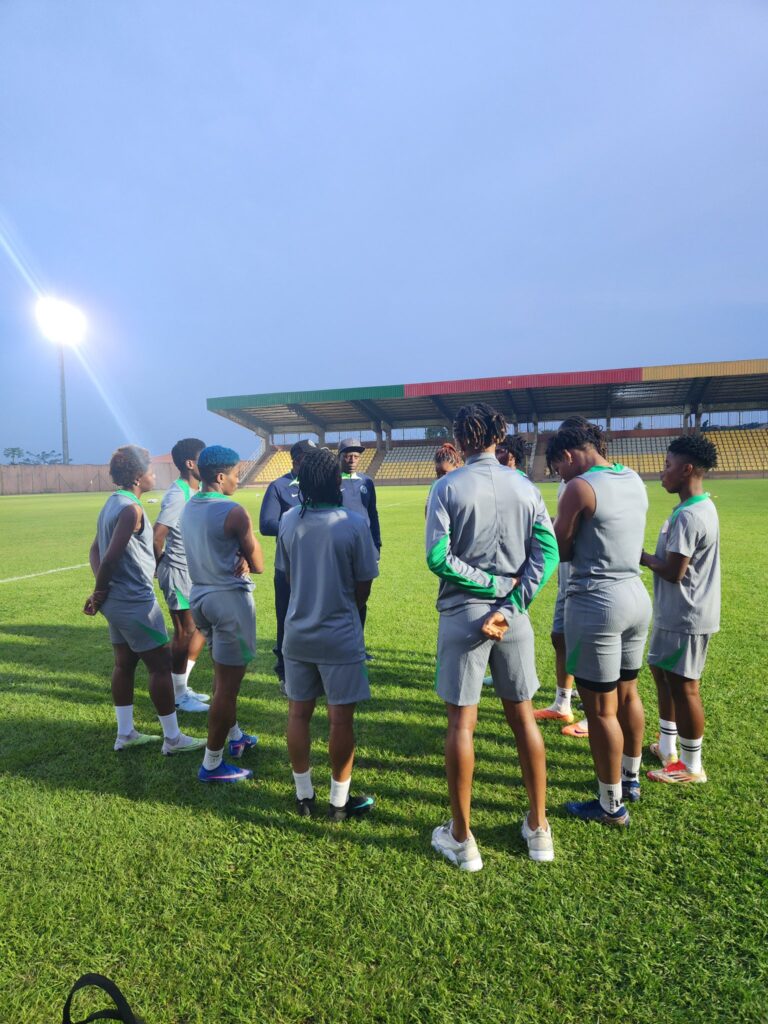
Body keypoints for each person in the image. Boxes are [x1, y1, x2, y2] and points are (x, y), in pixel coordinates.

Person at [426, 403, 559, 868]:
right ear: (499, 437)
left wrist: (489, 586)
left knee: (462, 724)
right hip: (514, 616)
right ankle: (539, 829)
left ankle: (462, 838)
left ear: (461, 439)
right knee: (523, 719)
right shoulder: (526, 486)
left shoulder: (447, 486)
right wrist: (512, 600)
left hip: (464, 613)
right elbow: (547, 555)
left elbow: (438, 557)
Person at [547, 423, 650, 827]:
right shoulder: (633, 477)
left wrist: (556, 527)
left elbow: (560, 548)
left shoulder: (580, 487)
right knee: (628, 695)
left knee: (601, 710)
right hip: (636, 595)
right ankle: (631, 779)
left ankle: (610, 805)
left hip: (597, 601)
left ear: (568, 455)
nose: (560, 477)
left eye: (559, 468)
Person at [84, 445, 205, 758]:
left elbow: (95, 551)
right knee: (161, 665)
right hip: (134, 601)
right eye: (151, 470)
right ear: (138, 477)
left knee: (124, 664)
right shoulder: (131, 510)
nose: (154, 475)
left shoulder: (112, 502)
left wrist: (101, 591)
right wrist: (99, 591)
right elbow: (109, 557)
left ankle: (126, 733)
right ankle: (173, 738)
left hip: (117, 600)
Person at [277, 448, 378, 820]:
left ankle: (304, 796)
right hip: (340, 635)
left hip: (297, 633)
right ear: (337, 482)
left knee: (298, 715)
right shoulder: (353, 524)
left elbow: (288, 576)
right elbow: (363, 586)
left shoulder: (289, 520)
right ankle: (338, 803)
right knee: (340, 721)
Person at [180, 446, 265, 784]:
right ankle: (212, 764)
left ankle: (236, 736)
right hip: (229, 601)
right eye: (235, 474)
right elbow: (259, 563)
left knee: (221, 675)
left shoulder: (189, 505)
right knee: (227, 689)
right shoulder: (233, 511)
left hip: (200, 596)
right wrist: (245, 555)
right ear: (220, 476)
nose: (238, 480)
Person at [640, 434, 720, 784]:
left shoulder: (689, 516)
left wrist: (640, 556)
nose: (663, 472)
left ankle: (690, 766)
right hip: (675, 612)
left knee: (685, 687)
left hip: (686, 614)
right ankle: (667, 746)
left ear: (686, 469)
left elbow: (674, 572)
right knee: (662, 673)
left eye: (668, 465)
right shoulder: (695, 507)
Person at [535, 417, 609, 735]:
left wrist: (550, 535)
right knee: (559, 636)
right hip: (568, 577)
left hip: (590, 580)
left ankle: (596, 715)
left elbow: (572, 537)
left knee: (591, 647)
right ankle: (562, 702)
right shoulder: (570, 481)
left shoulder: (591, 482)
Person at [153, 437, 210, 712]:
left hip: (192, 571)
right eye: (203, 459)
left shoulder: (195, 491)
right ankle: (177, 696)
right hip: (177, 572)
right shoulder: (178, 495)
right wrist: (162, 564)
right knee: (184, 632)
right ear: (190, 464)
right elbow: (157, 536)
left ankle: (181, 687)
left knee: (200, 628)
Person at [259, 439, 317, 686]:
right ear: (296, 460)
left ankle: (313, 667)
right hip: (288, 566)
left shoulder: (319, 484)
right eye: (308, 457)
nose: (313, 462)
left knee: (316, 616)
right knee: (286, 618)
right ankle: (284, 671)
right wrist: (300, 525)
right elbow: (266, 524)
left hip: (317, 565)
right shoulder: (279, 486)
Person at [338, 437, 381, 650]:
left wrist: (377, 546)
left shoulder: (367, 482)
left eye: (356, 456)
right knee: (341, 597)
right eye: (348, 456)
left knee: (362, 596)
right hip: (341, 549)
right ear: (340, 457)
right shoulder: (333, 481)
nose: (352, 460)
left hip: (364, 548)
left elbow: (373, 514)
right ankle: (342, 644)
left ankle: (358, 646)